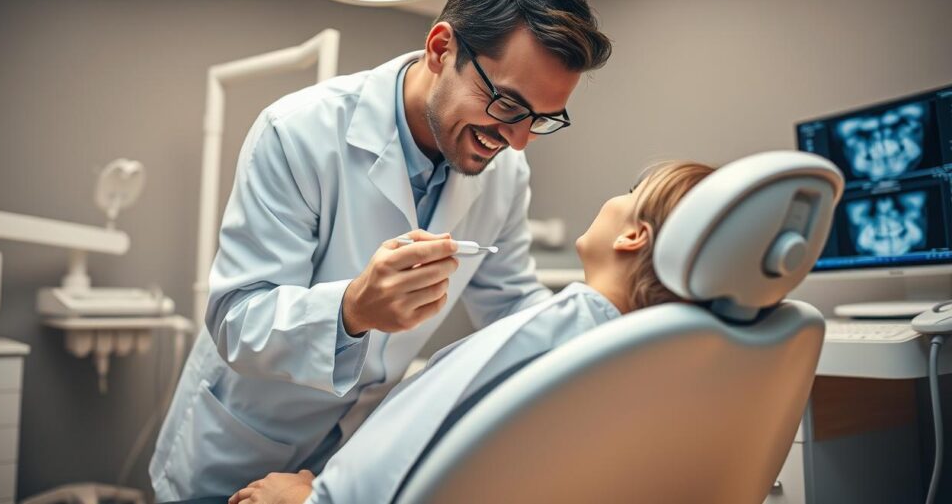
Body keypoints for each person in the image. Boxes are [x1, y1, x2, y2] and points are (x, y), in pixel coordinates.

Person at [150, 0, 612, 499]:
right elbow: (235, 317)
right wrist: (352, 310)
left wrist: (605, 331)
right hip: (238, 447)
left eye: (542, 119)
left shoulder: (506, 171)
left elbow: (509, 303)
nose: (516, 141)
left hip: (350, 461)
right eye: (508, 104)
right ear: (442, 48)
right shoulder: (299, 131)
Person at [227, 161, 716, 504]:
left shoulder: (559, 334)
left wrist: (309, 498)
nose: (518, 139)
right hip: (247, 427)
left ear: (634, 236)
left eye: (632, 193)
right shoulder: (639, 363)